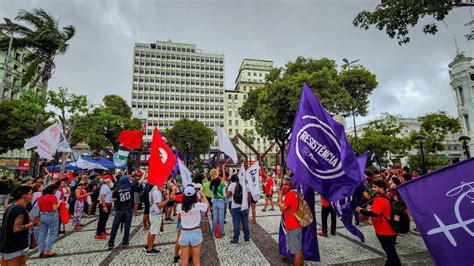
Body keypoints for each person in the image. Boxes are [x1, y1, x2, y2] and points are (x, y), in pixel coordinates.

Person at [356, 179, 401, 266]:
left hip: (384, 231)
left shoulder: (380, 199)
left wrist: (360, 209)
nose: (372, 189)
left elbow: (374, 214)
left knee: (391, 253)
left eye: (374, 187)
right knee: (390, 252)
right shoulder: (388, 196)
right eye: (372, 186)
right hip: (392, 229)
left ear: (382, 188)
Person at [0, 186, 39, 265]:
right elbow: (16, 228)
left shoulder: (10, 207)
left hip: (6, 245)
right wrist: (33, 224)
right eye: (31, 193)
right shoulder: (20, 209)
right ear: (24, 196)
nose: (33, 196)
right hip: (15, 246)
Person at [177, 186, 209, 266]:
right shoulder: (197, 205)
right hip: (196, 232)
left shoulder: (179, 207)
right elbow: (207, 206)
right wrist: (203, 195)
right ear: (195, 195)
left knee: (184, 262)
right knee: (196, 261)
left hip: (184, 233)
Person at [278, 177, 304, 266]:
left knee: (295, 252)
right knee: (299, 250)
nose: (284, 186)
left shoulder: (290, 195)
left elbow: (281, 208)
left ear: (290, 185)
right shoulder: (295, 192)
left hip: (293, 227)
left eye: (286, 184)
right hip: (297, 225)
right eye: (283, 184)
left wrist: (280, 195)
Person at [145, 184, 175, 255]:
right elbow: (159, 206)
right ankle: (150, 250)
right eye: (164, 184)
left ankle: (148, 245)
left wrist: (163, 191)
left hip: (152, 212)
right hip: (156, 214)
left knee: (151, 230)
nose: (165, 185)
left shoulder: (153, 189)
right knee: (153, 232)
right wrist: (167, 200)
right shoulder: (157, 193)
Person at [108, 176, 134, 250]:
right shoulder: (131, 188)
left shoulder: (116, 190)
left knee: (115, 227)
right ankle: (125, 242)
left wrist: (117, 200)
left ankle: (111, 243)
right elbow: (138, 182)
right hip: (128, 209)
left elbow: (113, 199)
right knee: (127, 226)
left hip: (119, 210)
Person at [37, 185, 61, 258]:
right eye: (55, 190)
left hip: (43, 215)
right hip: (52, 215)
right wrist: (59, 203)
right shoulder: (52, 197)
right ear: (53, 190)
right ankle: (48, 250)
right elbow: (54, 208)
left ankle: (41, 250)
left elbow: (39, 207)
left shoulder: (40, 197)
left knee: (42, 234)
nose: (56, 191)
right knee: (53, 233)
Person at [227, 174, 250, 244]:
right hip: (245, 206)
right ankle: (247, 239)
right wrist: (248, 206)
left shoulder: (232, 185)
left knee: (236, 223)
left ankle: (236, 239)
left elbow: (228, 195)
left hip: (235, 207)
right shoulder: (246, 184)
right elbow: (249, 196)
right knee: (245, 223)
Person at [209, 169, 225, 238]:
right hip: (220, 201)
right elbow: (224, 177)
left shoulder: (211, 184)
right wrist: (223, 169)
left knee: (215, 217)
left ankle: (213, 231)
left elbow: (211, 191)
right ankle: (221, 232)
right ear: (217, 173)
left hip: (214, 201)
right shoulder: (220, 184)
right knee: (221, 217)